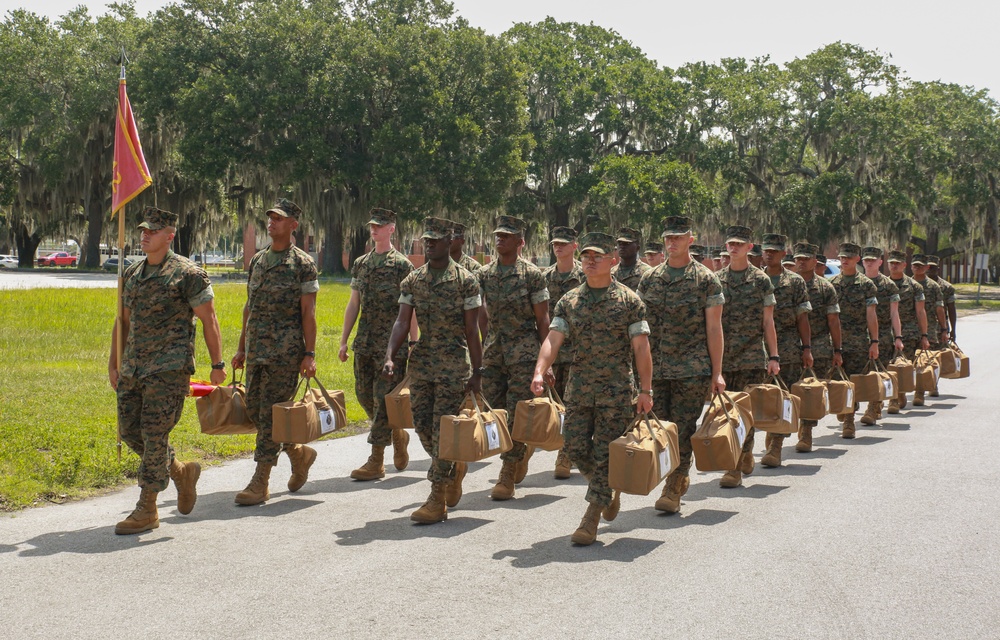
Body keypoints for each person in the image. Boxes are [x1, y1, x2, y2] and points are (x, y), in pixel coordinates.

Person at [108, 206, 226, 535]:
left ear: (169, 235)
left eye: (152, 231)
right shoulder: (132, 273)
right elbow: (124, 322)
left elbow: (209, 319)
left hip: (170, 370)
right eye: (142, 230)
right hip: (134, 367)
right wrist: (113, 362)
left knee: (153, 433)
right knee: (131, 432)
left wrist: (218, 365)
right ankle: (180, 471)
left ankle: (147, 508)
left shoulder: (187, 274)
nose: (144, 235)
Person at [532, 232, 652, 545]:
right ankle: (605, 488)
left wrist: (646, 390)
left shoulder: (629, 300)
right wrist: (539, 370)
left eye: (597, 255)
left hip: (615, 392)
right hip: (580, 389)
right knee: (573, 446)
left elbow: (641, 348)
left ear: (612, 260)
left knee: (604, 453)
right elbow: (553, 339)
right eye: (586, 255)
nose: (590, 260)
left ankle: (592, 516)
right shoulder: (570, 301)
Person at [382, 217, 483, 523]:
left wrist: (477, 372)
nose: (428, 244)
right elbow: (402, 321)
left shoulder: (466, 280)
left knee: (442, 429)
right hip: (423, 364)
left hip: (454, 364)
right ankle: (453, 468)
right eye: (425, 240)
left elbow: (471, 330)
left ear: (450, 241)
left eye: (434, 240)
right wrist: (390, 355)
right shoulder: (414, 280)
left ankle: (436, 498)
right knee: (424, 427)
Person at [231, 199, 320, 505]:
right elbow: (249, 307)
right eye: (270, 217)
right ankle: (298, 453)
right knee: (256, 410)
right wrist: (241, 347)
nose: (272, 222)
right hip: (257, 349)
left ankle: (261, 480)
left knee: (271, 414)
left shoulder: (303, 264)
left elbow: (309, 313)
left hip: (285, 352)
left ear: (293, 224)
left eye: (279, 218)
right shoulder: (258, 260)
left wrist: (309, 353)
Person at [637, 216, 725, 514]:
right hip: (656, 369)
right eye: (668, 238)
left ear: (691, 238)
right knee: (659, 427)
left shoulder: (706, 279)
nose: (671, 243)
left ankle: (674, 484)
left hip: (692, 368)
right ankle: (671, 472)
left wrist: (717, 372)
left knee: (683, 426)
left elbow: (714, 329)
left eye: (678, 237)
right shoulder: (650, 278)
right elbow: (638, 328)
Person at [478, 215, 551, 500]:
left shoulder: (532, 275)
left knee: (517, 413)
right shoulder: (485, 274)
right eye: (497, 235)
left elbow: (543, 320)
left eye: (506, 236)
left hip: (524, 354)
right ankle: (520, 451)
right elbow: (478, 316)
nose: (499, 239)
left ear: (520, 242)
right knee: (495, 412)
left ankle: (507, 473)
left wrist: (547, 363)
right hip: (494, 353)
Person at [340, 208, 414, 481]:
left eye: (380, 226)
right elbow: (353, 303)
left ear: (391, 229)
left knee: (383, 400)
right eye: (372, 225)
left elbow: (410, 308)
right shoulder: (361, 263)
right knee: (363, 394)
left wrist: (414, 341)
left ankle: (376, 460)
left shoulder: (402, 265)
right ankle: (396, 434)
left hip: (391, 346)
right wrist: (344, 340)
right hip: (365, 341)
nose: (374, 230)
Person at [715, 226, 779, 488]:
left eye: (740, 244)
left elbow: (768, 322)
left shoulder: (761, 280)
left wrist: (773, 356)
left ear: (750, 248)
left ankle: (736, 464)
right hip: (724, 357)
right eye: (730, 243)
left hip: (752, 356)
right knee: (726, 413)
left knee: (745, 412)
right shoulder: (716, 279)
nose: (734, 247)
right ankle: (739, 455)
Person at [757, 234, 812, 466]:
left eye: (774, 251)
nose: (769, 254)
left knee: (782, 397)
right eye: (766, 250)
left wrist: (806, 348)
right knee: (759, 398)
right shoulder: (756, 279)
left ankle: (775, 446)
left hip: (787, 346)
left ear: (783, 254)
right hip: (756, 348)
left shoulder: (795, 282)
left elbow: (802, 318)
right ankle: (767, 437)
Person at [543, 226, 585, 479]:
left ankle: (566, 454)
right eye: (555, 243)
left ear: (574, 246)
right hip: (552, 351)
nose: (558, 247)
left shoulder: (585, 276)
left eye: (563, 243)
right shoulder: (544, 277)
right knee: (550, 404)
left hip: (578, 353)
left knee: (573, 406)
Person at [792, 242, 843, 451]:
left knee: (809, 392)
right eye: (798, 258)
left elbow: (833, 320)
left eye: (806, 258)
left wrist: (837, 350)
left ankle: (806, 432)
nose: (801, 262)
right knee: (782, 392)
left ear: (815, 261)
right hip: (787, 346)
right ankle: (775, 436)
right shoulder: (789, 283)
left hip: (818, 346)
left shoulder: (825, 287)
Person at [828, 243, 879, 438]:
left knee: (854, 382)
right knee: (839, 382)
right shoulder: (832, 284)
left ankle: (849, 421)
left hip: (858, 342)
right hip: (836, 342)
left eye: (848, 257)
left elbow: (871, 316)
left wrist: (874, 342)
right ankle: (846, 411)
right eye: (842, 257)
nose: (844, 260)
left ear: (857, 259)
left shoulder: (866, 285)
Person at [859, 247, 904, 425]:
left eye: (873, 260)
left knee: (878, 372)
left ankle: (873, 407)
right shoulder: (857, 282)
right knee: (860, 374)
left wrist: (898, 337)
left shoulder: (888, 285)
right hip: (857, 336)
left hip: (883, 336)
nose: (869, 262)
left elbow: (894, 314)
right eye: (866, 260)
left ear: (880, 262)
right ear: (862, 262)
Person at [886, 250, 930, 414]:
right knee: (888, 366)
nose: (894, 265)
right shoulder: (882, 284)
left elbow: (920, 312)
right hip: (886, 333)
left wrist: (924, 335)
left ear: (904, 265)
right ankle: (895, 395)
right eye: (892, 263)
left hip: (908, 333)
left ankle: (896, 397)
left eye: (897, 263)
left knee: (902, 366)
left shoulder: (914, 287)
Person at [910, 254, 950, 404]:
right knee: (908, 361)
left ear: (926, 268)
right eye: (915, 265)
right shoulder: (907, 284)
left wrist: (944, 329)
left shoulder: (934, 287)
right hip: (908, 329)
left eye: (920, 265)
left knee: (924, 361)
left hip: (930, 328)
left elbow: (940, 309)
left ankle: (920, 392)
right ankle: (901, 393)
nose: (917, 268)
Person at [927, 256, 957, 342]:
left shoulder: (947, 287)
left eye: (932, 267)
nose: (930, 269)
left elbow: (951, 309)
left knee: (941, 355)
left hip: (940, 329)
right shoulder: (916, 285)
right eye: (928, 267)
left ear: (938, 269)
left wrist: (953, 330)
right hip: (919, 329)